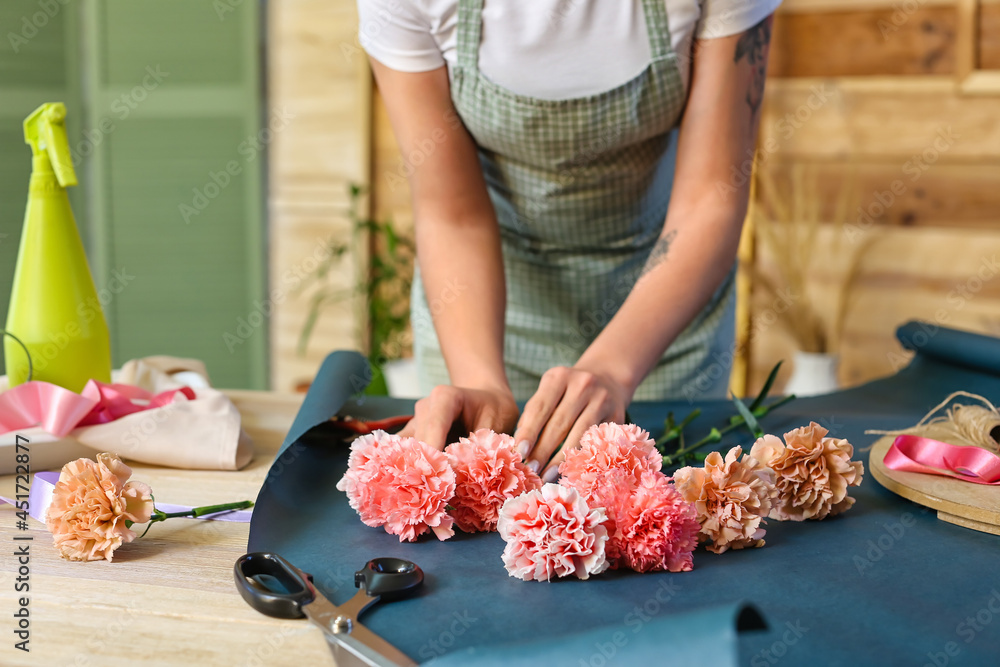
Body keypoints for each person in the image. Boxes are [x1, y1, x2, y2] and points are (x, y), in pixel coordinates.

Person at [360, 0, 779, 481]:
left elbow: (713, 199)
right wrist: (480, 381)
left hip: (661, 314)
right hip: (484, 315)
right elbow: (452, 216)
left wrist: (614, 368)